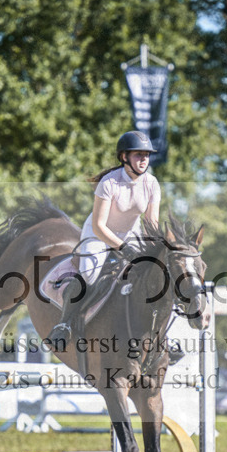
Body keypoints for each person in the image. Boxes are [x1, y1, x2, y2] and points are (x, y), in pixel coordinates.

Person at [47, 130, 161, 347]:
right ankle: (65, 324)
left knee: (152, 273)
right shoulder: (109, 182)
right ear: (124, 157)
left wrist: (155, 249)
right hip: (98, 234)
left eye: (146, 155)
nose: (144, 159)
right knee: (89, 272)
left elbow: (151, 225)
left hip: (131, 235)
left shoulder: (152, 184)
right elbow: (100, 226)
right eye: (138, 154)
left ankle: (162, 333)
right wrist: (122, 247)